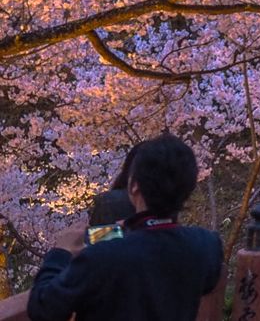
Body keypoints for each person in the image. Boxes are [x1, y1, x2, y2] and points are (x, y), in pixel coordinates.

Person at [28, 134, 223, 321]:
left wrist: (60, 252)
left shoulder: (102, 256)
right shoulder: (206, 245)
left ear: (134, 186)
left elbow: (44, 309)